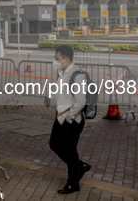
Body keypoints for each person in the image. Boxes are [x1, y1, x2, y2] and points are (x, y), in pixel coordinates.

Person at [45, 44, 91, 194]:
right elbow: (60, 91)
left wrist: (70, 117)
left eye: (56, 58)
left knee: (70, 151)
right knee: (54, 144)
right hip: (61, 116)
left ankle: (73, 183)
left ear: (65, 59)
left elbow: (80, 101)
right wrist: (50, 99)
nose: (55, 61)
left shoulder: (78, 76)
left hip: (71, 119)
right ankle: (80, 166)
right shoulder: (62, 73)